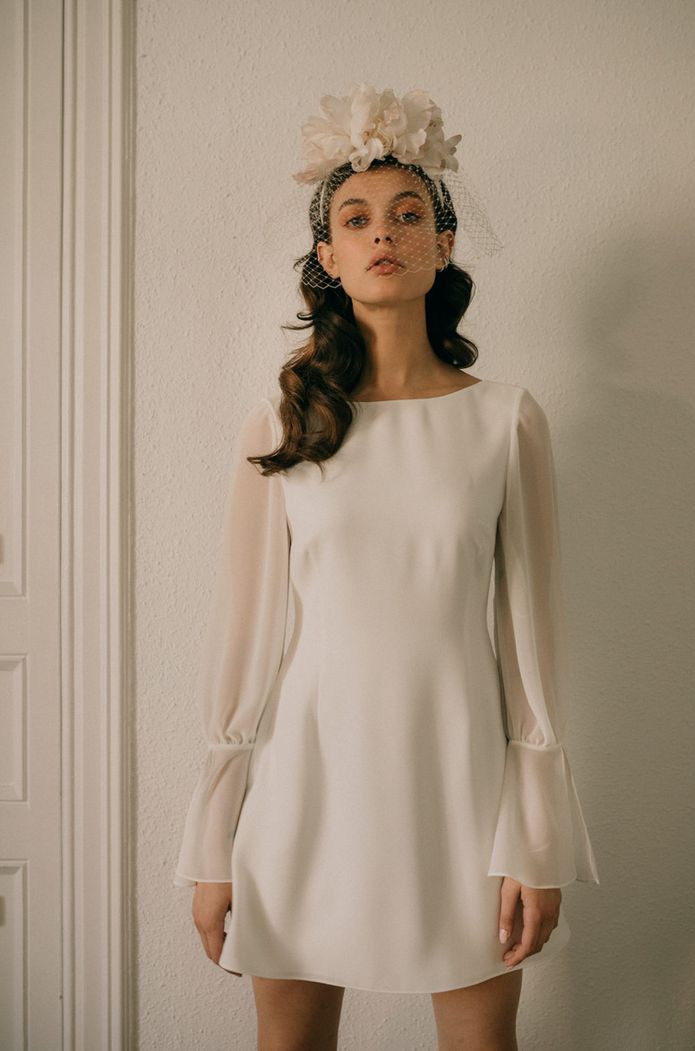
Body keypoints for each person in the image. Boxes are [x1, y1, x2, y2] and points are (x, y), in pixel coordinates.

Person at [174, 84, 600, 1050]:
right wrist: (214, 844)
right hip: (303, 785)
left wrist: (534, 839)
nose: (384, 235)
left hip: (461, 788)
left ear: (443, 246)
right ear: (326, 257)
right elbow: (244, 636)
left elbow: (527, 637)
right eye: (356, 219)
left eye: (409, 215)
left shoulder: (505, 419)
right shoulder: (286, 421)